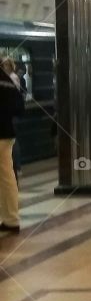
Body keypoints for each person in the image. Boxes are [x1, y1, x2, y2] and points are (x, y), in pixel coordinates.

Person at [0, 59, 25, 233]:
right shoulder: (6, 79)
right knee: (7, 177)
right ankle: (11, 219)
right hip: (6, 133)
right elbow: (19, 108)